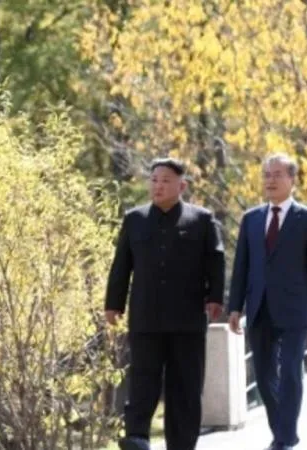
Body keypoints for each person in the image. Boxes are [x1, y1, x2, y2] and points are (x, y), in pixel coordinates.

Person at [104, 157, 226, 450]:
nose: (158, 186)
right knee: (142, 380)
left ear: (181, 186)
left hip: (187, 320)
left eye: (166, 181)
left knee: (185, 386)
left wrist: (214, 298)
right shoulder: (135, 219)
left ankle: (181, 444)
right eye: (154, 180)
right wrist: (113, 304)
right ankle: (137, 437)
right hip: (146, 317)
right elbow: (121, 266)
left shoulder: (202, 220)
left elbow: (215, 262)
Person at [227, 153, 307, 450]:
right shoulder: (251, 220)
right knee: (263, 376)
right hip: (259, 307)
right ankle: (283, 432)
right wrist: (235, 307)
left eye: (277, 175)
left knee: (290, 372)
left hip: (296, 310)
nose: (270, 180)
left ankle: (283, 438)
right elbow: (242, 266)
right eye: (267, 175)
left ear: (292, 180)